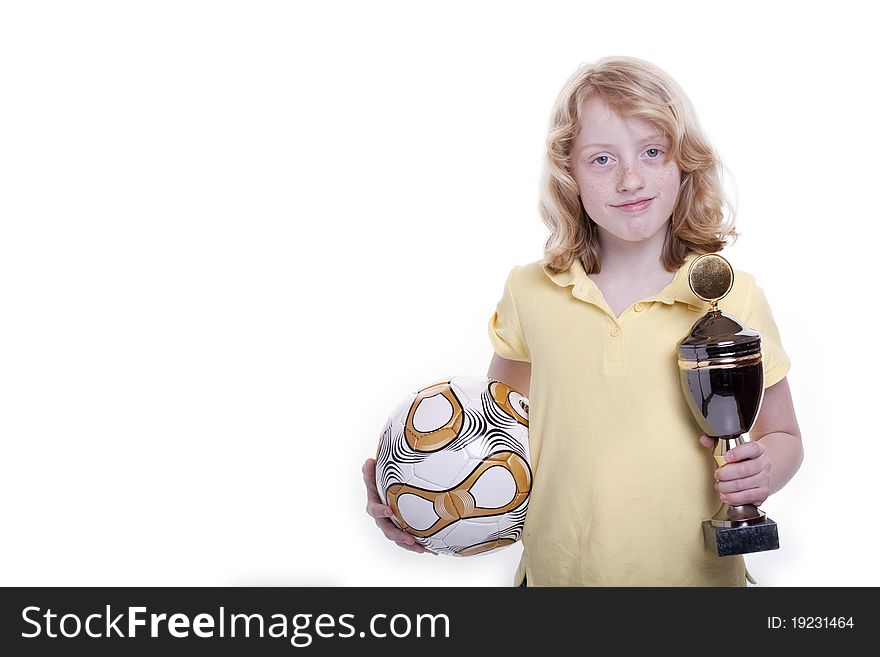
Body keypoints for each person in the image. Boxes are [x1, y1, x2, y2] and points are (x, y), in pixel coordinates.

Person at [362, 56, 803, 586]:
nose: (630, 178)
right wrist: (421, 497)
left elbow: (781, 433)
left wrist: (764, 472)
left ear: (684, 163)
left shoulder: (733, 296)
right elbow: (497, 437)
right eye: (601, 159)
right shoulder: (531, 292)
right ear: (568, 172)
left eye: (652, 151)